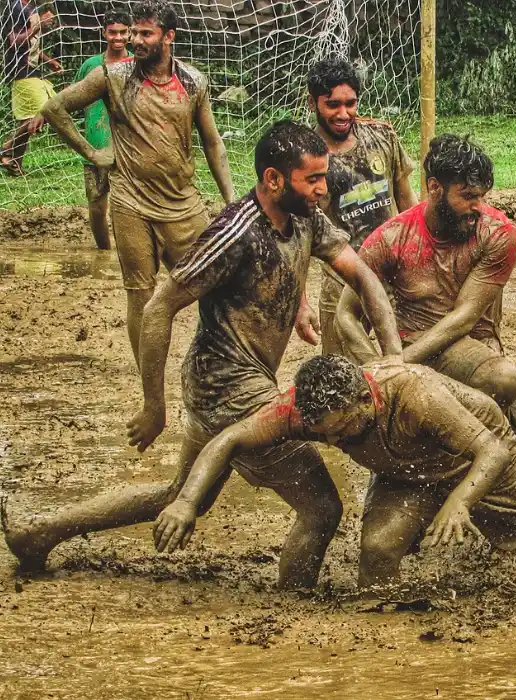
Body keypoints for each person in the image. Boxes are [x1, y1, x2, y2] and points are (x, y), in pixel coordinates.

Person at [2, 121, 402, 590]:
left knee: (180, 493)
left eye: (323, 176)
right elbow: (158, 307)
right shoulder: (233, 233)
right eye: (312, 179)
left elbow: (363, 275)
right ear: (274, 179)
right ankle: (296, 608)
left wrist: (393, 354)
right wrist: (154, 406)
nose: (323, 187)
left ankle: (39, 534)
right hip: (225, 389)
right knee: (322, 507)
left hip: (240, 382)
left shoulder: (306, 219)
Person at [152, 354, 516, 593]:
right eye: (325, 436)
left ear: (367, 400)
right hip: (404, 473)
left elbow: (490, 452)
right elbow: (227, 439)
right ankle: (387, 634)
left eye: (343, 431)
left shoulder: (415, 393)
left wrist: (459, 501)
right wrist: (187, 501)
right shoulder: (304, 411)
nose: (337, 444)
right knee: (377, 550)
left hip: (484, 459)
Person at [41, 0, 234, 366]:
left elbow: (212, 142)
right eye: (134, 32)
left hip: (182, 203)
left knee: (214, 284)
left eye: (146, 33)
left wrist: (230, 198)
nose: (136, 40)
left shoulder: (193, 82)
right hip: (131, 202)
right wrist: (93, 154)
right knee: (141, 294)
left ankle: (215, 364)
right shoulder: (112, 77)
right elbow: (54, 108)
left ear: (169, 36)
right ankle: (150, 383)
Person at [335, 134, 516, 443]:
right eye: (467, 196)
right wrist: (376, 370)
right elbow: (345, 315)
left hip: (467, 344)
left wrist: (401, 364)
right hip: (411, 346)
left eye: (482, 196)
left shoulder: (498, 234)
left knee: (505, 382)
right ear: (434, 188)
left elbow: (464, 317)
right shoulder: (391, 238)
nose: (478, 206)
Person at [304, 56, 417, 356]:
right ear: (312, 102)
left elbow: (406, 200)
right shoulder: (305, 159)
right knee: (341, 380)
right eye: (333, 105)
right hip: (340, 283)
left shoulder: (382, 136)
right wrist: (299, 301)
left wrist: (420, 256)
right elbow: (297, 235)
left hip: (393, 276)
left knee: (406, 364)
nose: (343, 113)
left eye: (350, 103)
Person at [74, 7, 132, 250]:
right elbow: (73, 98)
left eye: (122, 32)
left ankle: (128, 252)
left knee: (127, 208)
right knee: (97, 206)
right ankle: (103, 251)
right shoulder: (91, 66)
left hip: (127, 150)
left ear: (130, 34)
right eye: (112, 33)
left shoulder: (136, 64)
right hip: (95, 148)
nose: (117, 38)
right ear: (103, 33)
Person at [0, 0, 61, 176]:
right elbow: (14, 42)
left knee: (29, 118)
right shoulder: (15, 8)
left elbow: (31, 45)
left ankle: (14, 165)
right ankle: (5, 148)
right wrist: (38, 25)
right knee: (46, 110)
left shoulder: (30, 8)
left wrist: (50, 61)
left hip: (32, 69)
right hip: (20, 71)